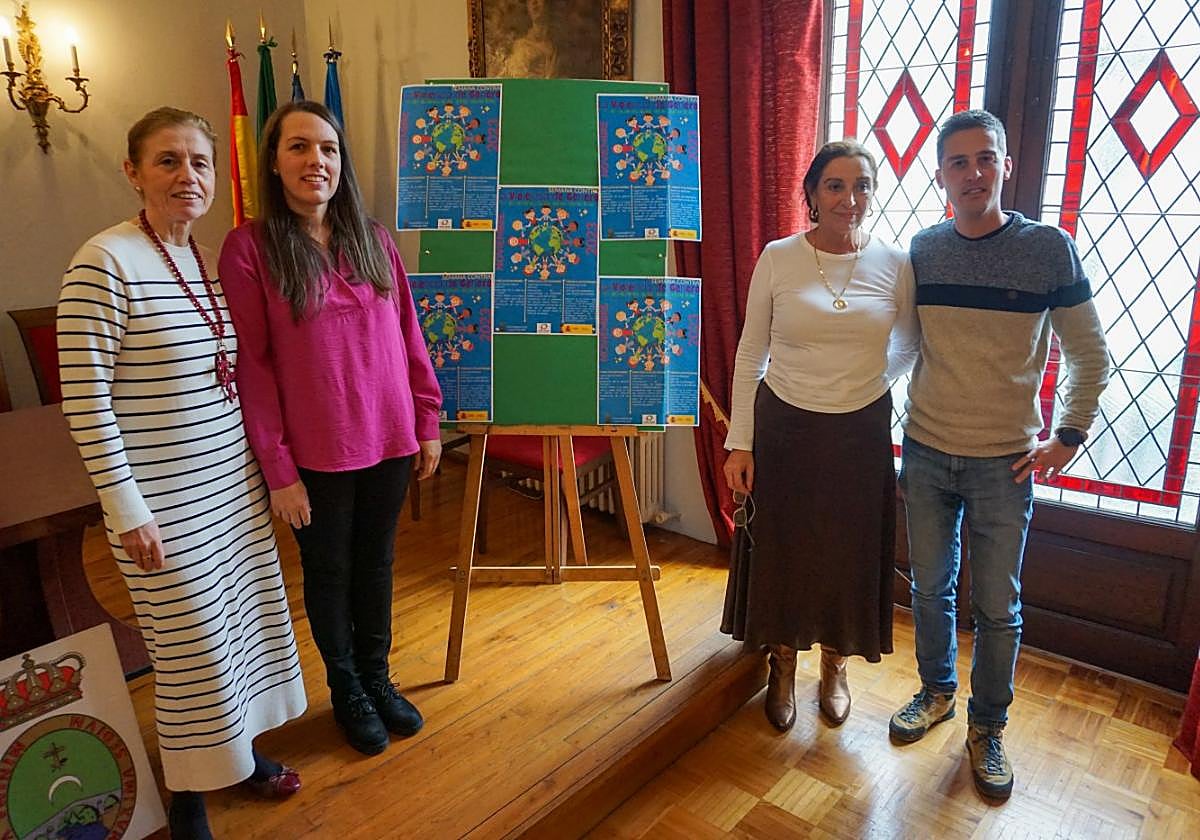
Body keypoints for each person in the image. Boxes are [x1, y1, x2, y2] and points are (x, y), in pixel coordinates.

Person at [57, 107, 307, 840]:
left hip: (229, 491)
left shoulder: (206, 259)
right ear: (132, 172)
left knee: (238, 632)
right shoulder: (102, 262)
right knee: (188, 648)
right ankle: (187, 790)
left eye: (199, 163)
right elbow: (86, 402)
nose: (186, 176)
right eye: (167, 161)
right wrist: (127, 509)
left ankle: (242, 756)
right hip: (163, 505)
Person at [888, 109, 1109, 801]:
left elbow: (1089, 353)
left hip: (1003, 464)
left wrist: (1067, 438)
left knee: (996, 606)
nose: (973, 173)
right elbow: (897, 346)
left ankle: (988, 726)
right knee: (927, 588)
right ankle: (936, 692)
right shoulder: (922, 249)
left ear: (1006, 166)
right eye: (958, 163)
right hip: (924, 451)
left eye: (986, 159)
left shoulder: (1049, 249)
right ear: (941, 176)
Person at [218, 101, 442, 758]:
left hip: (391, 438)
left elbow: (409, 337)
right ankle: (346, 690)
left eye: (328, 149)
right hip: (317, 452)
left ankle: (377, 678)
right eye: (299, 147)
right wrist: (278, 469)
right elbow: (253, 368)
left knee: (376, 567)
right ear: (274, 162)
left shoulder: (372, 239)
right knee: (330, 571)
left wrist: (427, 420)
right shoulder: (249, 248)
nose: (316, 161)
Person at [722, 139, 919, 730]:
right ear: (811, 194)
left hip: (860, 429)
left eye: (862, 185)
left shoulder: (895, 261)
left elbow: (909, 343)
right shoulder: (779, 257)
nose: (849, 198)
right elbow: (751, 350)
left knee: (847, 549)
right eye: (835, 185)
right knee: (785, 546)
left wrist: (865, 380)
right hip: (785, 424)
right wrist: (741, 441)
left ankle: (835, 663)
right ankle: (782, 662)